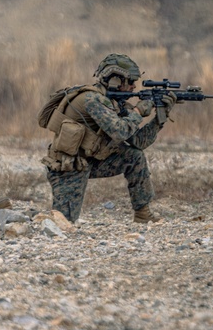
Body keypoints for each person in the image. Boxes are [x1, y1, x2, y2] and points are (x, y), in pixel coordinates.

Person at [40, 53, 177, 225]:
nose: (134, 86)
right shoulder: (92, 99)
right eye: (130, 81)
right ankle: (5, 217)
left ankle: (143, 214)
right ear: (116, 80)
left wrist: (159, 119)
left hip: (91, 161)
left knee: (134, 156)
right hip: (69, 167)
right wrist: (138, 112)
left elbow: (138, 142)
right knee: (62, 223)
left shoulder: (113, 102)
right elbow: (119, 132)